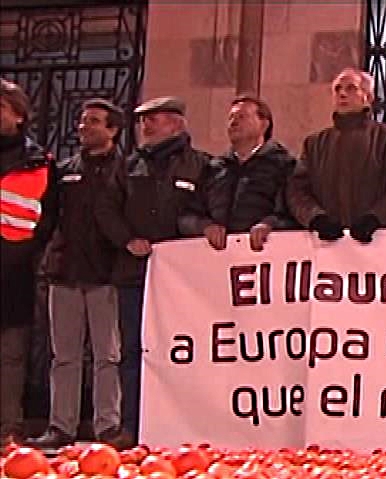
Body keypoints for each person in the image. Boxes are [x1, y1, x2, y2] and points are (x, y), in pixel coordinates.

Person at [95, 96, 212, 444]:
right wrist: (127, 240)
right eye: (142, 120)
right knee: (133, 350)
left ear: (176, 123)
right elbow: (106, 209)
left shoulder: (201, 165)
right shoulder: (128, 166)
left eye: (154, 119)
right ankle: (131, 425)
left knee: (183, 351)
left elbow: (206, 211)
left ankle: (184, 426)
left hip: (183, 282)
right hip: (134, 275)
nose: (145, 126)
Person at [26, 100, 127, 449]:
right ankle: (61, 426)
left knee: (107, 356)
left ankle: (107, 426)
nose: (84, 127)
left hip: (105, 275)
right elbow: (48, 218)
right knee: (64, 356)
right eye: (82, 121)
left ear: (113, 129)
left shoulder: (126, 170)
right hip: (64, 272)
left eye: (94, 121)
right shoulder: (64, 170)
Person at [287, 68, 386, 243]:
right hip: (326, 242)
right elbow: (297, 190)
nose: (342, 94)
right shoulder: (315, 143)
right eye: (337, 89)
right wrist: (315, 218)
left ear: (368, 97)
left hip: (378, 241)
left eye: (351, 88)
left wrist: (376, 217)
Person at [0, 79, 58, 445]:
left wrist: (29, 252)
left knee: (11, 355)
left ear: (19, 115)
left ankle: (8, 427)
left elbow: (49, 216)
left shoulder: (39, 162)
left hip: (14, 270)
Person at [181, 95, 296, 250]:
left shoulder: (284, 166)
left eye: (242, 117)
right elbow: (188, 216)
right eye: (231, 117)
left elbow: (294, 212)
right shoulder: (213, 169)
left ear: (264, 124)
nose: (234, 122)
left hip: (267, 254)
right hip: (218, 257)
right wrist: (205, 226)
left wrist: (270, 224)